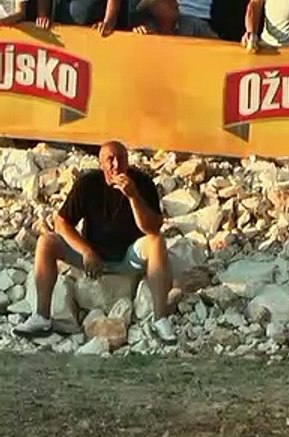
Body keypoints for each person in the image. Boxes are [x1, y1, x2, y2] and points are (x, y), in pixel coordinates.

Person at [13, 141, 177, 343]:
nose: (116, 165)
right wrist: (86, 251)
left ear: (128, 161)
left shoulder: (142, 183)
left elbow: (153, 228)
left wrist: (134, 197)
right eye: (110, 160)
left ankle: (160, 319)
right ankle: (41, 317)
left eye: (121, 159)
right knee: (47, 242)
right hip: (93, 257)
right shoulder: (88, 184)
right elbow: (61, 223)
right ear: (101, 163)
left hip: (129, 256)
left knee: (156, 242)